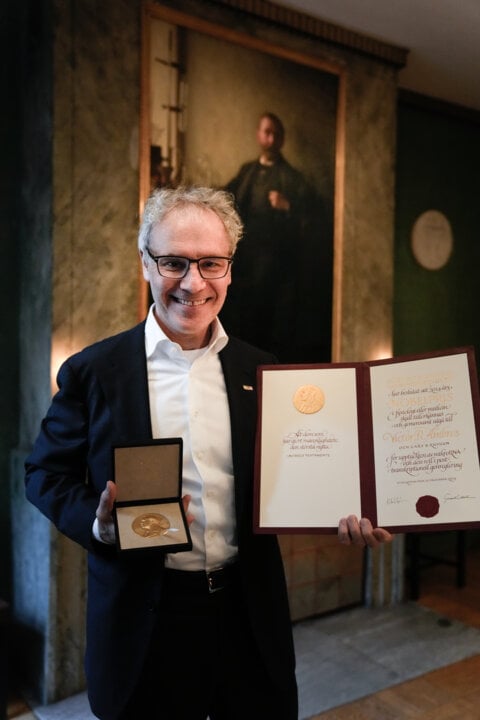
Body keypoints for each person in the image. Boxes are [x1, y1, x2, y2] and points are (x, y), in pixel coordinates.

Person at [25, 186, 392, 720]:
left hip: (248, 614)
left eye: (211, 264)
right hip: (145, 621)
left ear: (229, 270)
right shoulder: (96, 371)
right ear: (146, 264)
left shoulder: (261, 371)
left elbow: (302, 472)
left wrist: (350, 508)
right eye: (174, 262)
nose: (193, 283)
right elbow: (43, 474)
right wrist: (101, 526)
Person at [222, 112, 327, 361]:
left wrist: (287, 206)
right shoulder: (247, 171)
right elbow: (226, 198)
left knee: (270, 328)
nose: (270, 138)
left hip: (275, 270)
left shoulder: (293, 179)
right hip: (245, 263)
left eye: (275, 134)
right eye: (266, 132)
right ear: (259, 135)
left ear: (281, 140)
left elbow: (313, 220)